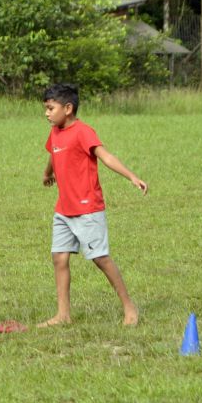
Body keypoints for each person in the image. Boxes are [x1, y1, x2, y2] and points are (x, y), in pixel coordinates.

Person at [39, 83, 147, 327]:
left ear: (68, 108)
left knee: (100, 258)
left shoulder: (83, 132)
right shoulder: (56, 131)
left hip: (87, 208)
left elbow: (105, 156)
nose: (46, 113)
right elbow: (53, 154)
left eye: (50, 108)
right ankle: (63, 314)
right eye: (45, 108)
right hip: (64, 209)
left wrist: (131, 176)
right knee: (59, 258)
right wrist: (47, 173)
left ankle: (129, 307)